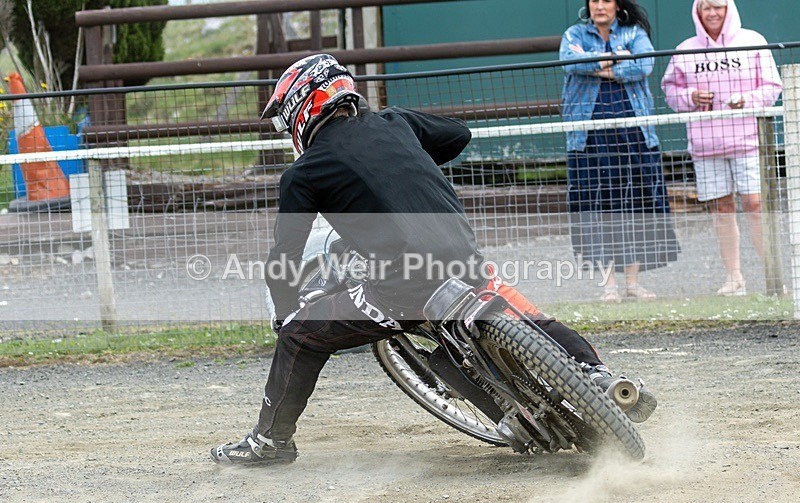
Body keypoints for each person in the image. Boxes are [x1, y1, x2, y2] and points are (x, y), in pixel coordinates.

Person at [210, 54, 657, 466]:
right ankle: (598, 376)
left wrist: (285, 312)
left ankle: (270, 441)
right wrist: (409, 154)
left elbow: (284, 255)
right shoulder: (395, 122)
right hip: (464, 257)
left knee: (301, 337)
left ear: (302, 111)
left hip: (403, 287)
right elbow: (459, 134)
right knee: (528, 315)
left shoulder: (304, 172)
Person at [560, 0, 680, 303]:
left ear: (617, 5)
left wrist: (596, 66)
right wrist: (615, 59)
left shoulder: (634, 32)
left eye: (607, 0)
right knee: (597, 207)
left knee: (636, 204)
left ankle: (632, 283)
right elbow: (569, 61)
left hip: (634, 134)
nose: (600, 6)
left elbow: (644, 64)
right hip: (588, 138)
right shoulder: (574, 33)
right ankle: (608, 286)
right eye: (594, 0)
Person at [661, 0, 782, 296]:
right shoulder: (684, 50)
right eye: (706, 8)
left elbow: (771, 87)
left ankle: (773, 276)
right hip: (706, 146)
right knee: (721, 210)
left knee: (755, 205)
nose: (713, 13)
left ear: (729, 9)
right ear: (697, 12)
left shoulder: (753, 42)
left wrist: (744, 100)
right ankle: (734, 277)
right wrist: (691, 96)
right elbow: (670, 90)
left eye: (718, 7)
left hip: (749, 142)